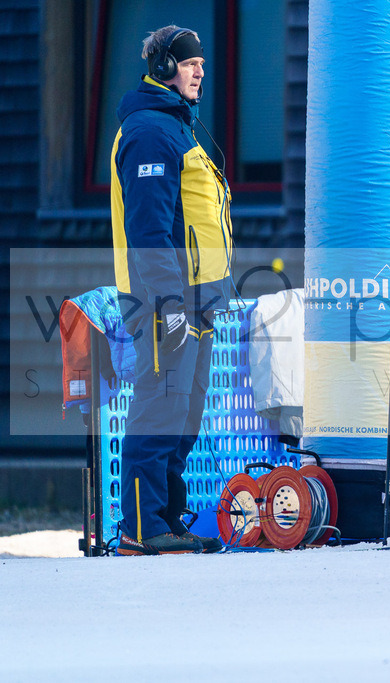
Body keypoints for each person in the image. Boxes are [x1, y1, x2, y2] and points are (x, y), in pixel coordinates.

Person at [111, 25, 232, 555]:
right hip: (166, 301)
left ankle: (166, 519)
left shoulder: (178, 129)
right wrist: (168, 307)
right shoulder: (149, 134)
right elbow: (148, 231)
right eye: (187, 63)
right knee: (159, 405)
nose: (199, 70)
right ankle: (141, 525)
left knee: (183, 414)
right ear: (163, 68)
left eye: (201, 63)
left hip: (196, 302)